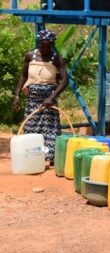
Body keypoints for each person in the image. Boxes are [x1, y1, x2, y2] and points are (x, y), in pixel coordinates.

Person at [13, 29, 69, 163]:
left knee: (50, 130)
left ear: (52, 44)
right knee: (31, 128)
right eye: (42, 44)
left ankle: (50, 157)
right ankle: (32, 157)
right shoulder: (29, 56)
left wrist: (51, 97)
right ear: (39, 43)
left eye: (47, 45)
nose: (44, 48)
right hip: (32, 100)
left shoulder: (56, 58)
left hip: (49, 101)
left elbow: (65, 80)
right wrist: (16, 96)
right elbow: (23, 75)